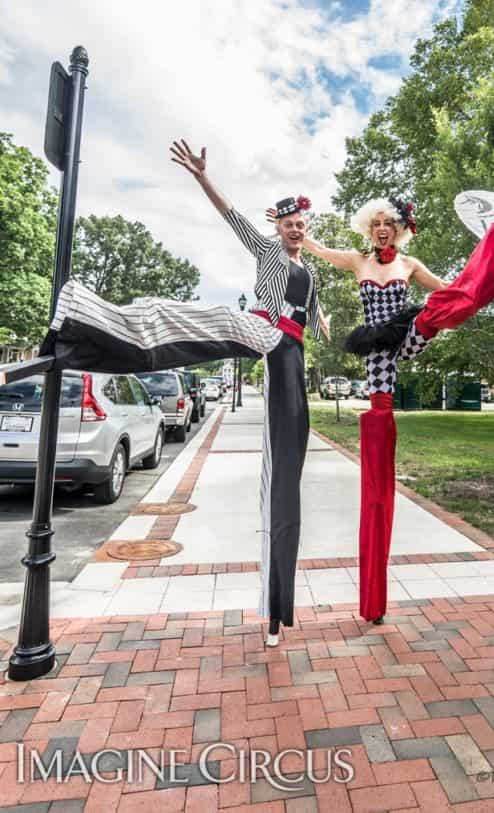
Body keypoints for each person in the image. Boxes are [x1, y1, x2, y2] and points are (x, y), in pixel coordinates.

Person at [270, 172, 494, 626]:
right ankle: (373, 602)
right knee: (395, 381)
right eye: (376, 224)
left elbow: (450, 286)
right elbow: (312, 249)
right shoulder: (356, 261)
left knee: (457, 301)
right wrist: (295, 226)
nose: (382, 229)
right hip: (377, 354)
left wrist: (487, 291)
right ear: (369, 228)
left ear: (399, 229)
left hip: (408, 334)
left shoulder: (409, 264)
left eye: (390, 223)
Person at [40, 139, 330, 648]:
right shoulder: (266, 249)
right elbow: (230, 214)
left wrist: (322, 319)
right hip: (266, 330)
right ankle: (93, 318)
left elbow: (312, 300)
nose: (294, 228)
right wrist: (201, 176)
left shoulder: (310, 267)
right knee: (200, 319)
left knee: (288, 465)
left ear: (306, 227)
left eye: (300, 223)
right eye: (287, 222)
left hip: (293, 352)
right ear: (278, 226)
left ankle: (277, 609)